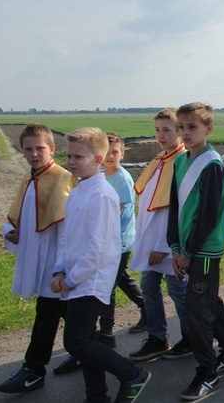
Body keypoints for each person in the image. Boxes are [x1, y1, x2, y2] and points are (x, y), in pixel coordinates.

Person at [51, 127, 151, 403]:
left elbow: (98, 248)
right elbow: (67, 238)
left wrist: (71, 279)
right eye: (68, 155)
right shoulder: (78, 192)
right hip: (74, 278)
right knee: (88, 341)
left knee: (76, 342)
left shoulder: (102, 195)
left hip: (90, 281)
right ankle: (96, 395)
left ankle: (132, 374)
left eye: (78, 157)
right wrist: (59, 270)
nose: (70, 162)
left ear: (97, 159)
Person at [167, 103, 224, 400]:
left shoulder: (211, 163)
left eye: (192, 127)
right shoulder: (180, 161)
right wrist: (175, 246)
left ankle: (207, 372)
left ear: (208, 129)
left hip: (205, 252)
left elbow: (209, 215)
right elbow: (176, 207)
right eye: (181, 127)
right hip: (186, 248)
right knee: (206, 300)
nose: (185, 133)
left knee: (197, 309)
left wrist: (187, 252)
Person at [0, 124, 76, 394]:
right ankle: (88, 349)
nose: (33, 153)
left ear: (52, 149)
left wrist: (61, 267)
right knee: (67, 312)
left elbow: (67, 228)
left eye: (39, 148)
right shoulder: (29, 179)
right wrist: (12, 232)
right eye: (28, 149)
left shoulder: (62, 178)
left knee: (48, 313)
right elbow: (16, 216)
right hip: (38, 256)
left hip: (54, 260)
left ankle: (33, 370)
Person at [128, 109, 192, 362]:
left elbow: (177, 212)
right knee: (149, 287)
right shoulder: (159, 160)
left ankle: (190, 337)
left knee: (178, 290)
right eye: (157, 130)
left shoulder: (183, 161)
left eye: (167, 129)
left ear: (179, 131)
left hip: (168, 245)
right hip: (150, 241)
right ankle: (157, 338)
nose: (161, 135)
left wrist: (164, 246)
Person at [100, 133, 147, 343]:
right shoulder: (103, 175)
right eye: (106, 152)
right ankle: (148, 310)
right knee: (123, 280)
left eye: (115, 152)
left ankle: (106, 333)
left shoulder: (121, 178)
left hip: (119, 241)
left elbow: (115, 213)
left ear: (123, 153)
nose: (110, 156)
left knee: (107, 285)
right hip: (108, 242)